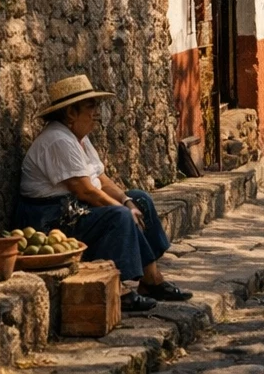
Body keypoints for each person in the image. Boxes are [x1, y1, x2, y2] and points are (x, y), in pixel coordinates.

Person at [15, 75, 192, 313]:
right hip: (50, 217)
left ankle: (151, 280)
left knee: (141, 199)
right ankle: (119, 289)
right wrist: (122, 210)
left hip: (72, 207)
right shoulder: (57, 140)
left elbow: (99, 178)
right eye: (91, 107)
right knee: (118, 217)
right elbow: (85, 190)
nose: (97, 113)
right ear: (70, 113)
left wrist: (127, 201)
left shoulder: (79, 138)